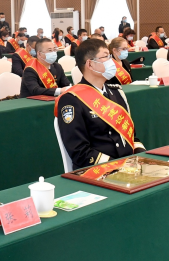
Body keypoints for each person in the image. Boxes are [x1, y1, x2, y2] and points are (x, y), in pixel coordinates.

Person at [56, 39, 145, 168]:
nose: (111, 61)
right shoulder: (72, 99)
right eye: (106, 57)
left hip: (128, 166)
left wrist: (141, 155)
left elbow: (131, 136)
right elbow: (79, 151)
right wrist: (117, 166)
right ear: (90, 64)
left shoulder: (117, 92)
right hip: (99, 169)